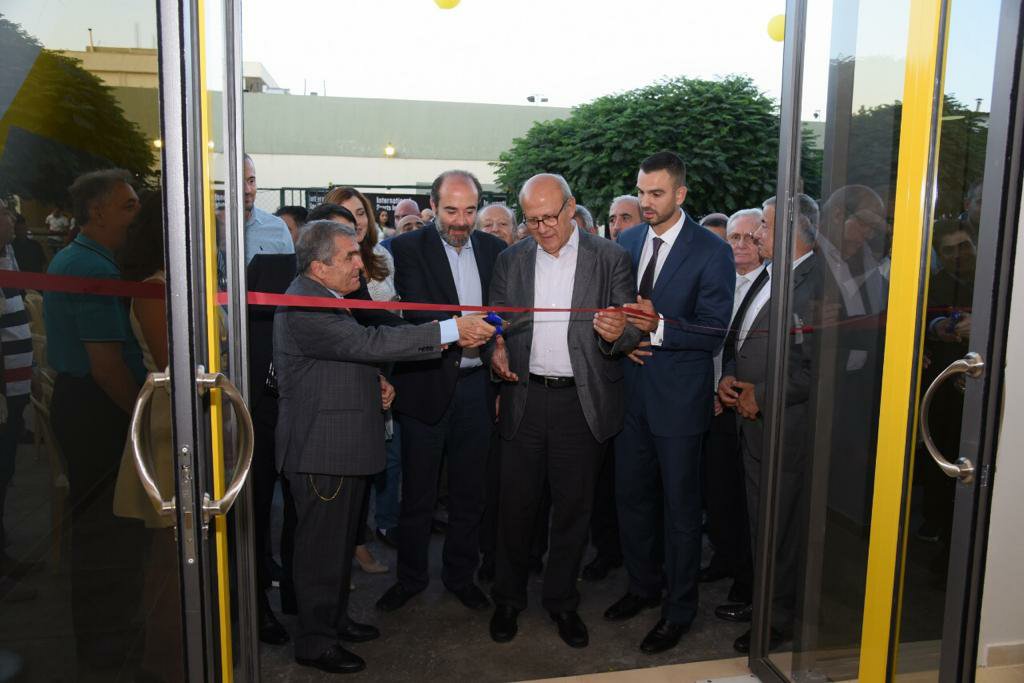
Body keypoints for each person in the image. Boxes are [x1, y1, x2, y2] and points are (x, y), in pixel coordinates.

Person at [274, 220, 495, 674]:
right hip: (323, 451)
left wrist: (373, 380)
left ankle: (334, 620)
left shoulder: (326, 296)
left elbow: (341, 357)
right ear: (319, 266)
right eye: (350, 256)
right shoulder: (306, 304)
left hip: (340, 446)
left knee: (337, 546)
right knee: (320, 552)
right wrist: (449, 330)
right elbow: (366, 341)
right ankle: (315, 642)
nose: (361, 264)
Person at [485, 173, 642, 648]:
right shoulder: (511, 259)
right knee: (515, 507)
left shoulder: (610, 258)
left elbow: (631, 329)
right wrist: (494, 346)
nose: (542, 228)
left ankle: (561, 602)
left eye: (550, 217)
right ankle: (508, 599)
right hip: (525, 397)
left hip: (581, 401)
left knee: (573, 511)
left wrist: (619, 333)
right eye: (532, 220)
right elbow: (495, 320)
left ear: (572, 208)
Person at [608, 151, 734, 654]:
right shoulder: (628, 240)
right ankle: (642, 586)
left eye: (656, 193)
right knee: (631, 498)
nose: (645, 202)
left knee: (681, 511)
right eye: (641, 192)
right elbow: (616, 313)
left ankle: (678, 610)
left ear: (680, 194)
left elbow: (712, 331)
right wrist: (624, 340)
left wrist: (656, 327)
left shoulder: (711, 250)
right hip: (630, 394)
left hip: (679, 402)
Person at [376, 170, 507, 614]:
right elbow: (407, 318)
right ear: (432, 206)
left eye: (470, 210)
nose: (461, 221)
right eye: (451, 210)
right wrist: (456, 328)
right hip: (425, 385)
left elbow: (503, 312)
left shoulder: (493, 250)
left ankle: (460, 576)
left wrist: (497, 339)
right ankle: (410, 578)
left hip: (475, 387)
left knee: (470, 493)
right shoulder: (405, 249)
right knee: (418, 494)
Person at [43, 168, 147, 670]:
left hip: (83, 402)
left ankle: (103, 644)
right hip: (96, 408)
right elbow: (106, 365)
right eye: (127, 206)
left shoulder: (78, 257)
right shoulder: (92, 267)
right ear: (98, 210)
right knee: (110, 535)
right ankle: (109, 651)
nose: (136, 215)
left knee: (98, 534)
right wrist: (141, 420)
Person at [718, 194, 821, 653]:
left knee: (780, 527)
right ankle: (763, 601)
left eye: (764, 224)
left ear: (792, 228)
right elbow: (739, 339)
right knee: (760, 522)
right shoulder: (772, 274)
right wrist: (728, 376)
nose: (757, 233)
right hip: (752, 422)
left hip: (784, 427)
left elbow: (816, 368)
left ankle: (777, 619)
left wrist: (762, 394)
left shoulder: (816, 283)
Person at [111, 192, 184, 682]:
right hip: (169, 420)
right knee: (168, 547)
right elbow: (171, 362)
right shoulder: (153, 290)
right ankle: (164, 657)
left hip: (187, 414)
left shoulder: (176, 283)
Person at [323, 187, 403, 561]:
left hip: (385, 366)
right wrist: (443, 332)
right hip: (346, 378)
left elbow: (384, 315)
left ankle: (374, 529)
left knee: (384, 458)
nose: (354, 222)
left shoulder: (381, 258)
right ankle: (349, 547)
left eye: (358, 213)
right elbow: (364, 327)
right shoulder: (320, 279)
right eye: (343, 215)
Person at [699, 208, 766, 614]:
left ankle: (747, 575)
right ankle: (725, 558)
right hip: (712, 400)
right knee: (718, 492)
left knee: (744, 498)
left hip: (746, 406)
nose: (740, 245)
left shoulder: (770, 286)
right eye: (733, 239)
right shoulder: (718, 281)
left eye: (748, 238)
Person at [0, 200, 35, 589]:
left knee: (7, 470)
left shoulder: (7, 255)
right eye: (2, 212)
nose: (10, 218)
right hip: (3, 391)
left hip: (15, 385)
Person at [243, 154, 294, 263]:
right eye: (239, 183)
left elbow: (288, 272)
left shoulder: (278, 229)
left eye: (251, 181)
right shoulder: (213, 229)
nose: (247, 190)